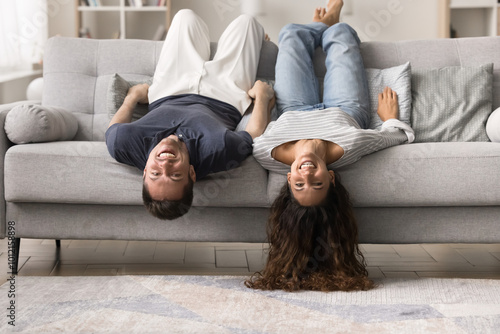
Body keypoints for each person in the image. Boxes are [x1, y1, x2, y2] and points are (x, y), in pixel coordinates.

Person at [246, 0, 414, 291]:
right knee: (342, 34)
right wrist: (388, 119)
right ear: (332, 178)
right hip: (345, 107)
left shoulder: (266, 153)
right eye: (318, 184)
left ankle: (318, 25)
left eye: (300, 185)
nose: (307, 174)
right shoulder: (349, 146)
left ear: (289, 179)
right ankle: (328, 24)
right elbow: (396, 137)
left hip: (293, 107)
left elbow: (250, 133)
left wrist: (262, 101)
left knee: (290, 34)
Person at [105, 10, 275, 220]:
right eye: (175, 175)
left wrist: (131, 97)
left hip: (170, 89)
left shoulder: (122, 144)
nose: (164, 165)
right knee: (247, 22)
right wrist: (262, 97)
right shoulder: (218, 152)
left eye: (156, 174)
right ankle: (258, 39)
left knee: (186, 17)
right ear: (192, 174)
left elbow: (113, 130)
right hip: (225, 94)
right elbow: (253, 134)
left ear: (144, 173)